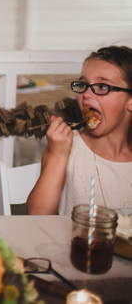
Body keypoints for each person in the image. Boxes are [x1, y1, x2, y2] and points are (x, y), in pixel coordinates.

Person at [27, 45, 132, 216]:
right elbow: (38, 214)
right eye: (83, 84)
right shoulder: (68, 147)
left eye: (103, 86)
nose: (87, 94)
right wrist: (58, 155)